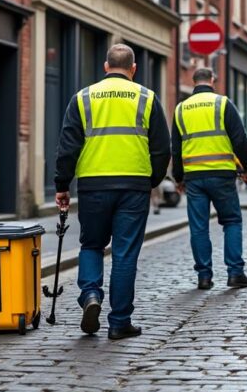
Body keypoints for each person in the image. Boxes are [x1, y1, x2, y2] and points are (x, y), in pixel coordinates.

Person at [54, 44, 170, 340]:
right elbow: (161, 148)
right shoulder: (147, 97)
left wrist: (61, 185)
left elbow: (67, 147)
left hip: (93, 185)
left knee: (91, 245)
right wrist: (152, 181)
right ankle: (119, 322)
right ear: (133, 69)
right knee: (125, 254)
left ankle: (91, 293)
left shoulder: (82, 98)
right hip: (134, 186)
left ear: (106, 66)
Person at [172, 68, 247, 290]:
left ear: (194, 82)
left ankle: (204, 276)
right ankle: (235, 273)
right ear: (212, 80)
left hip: (194, 178)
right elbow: (240, 140)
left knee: (198, 227)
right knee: (231, 221)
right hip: (221, 175)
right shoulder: (222, 104)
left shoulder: (180, 109)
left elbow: (176, 147)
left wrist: (179, 178)